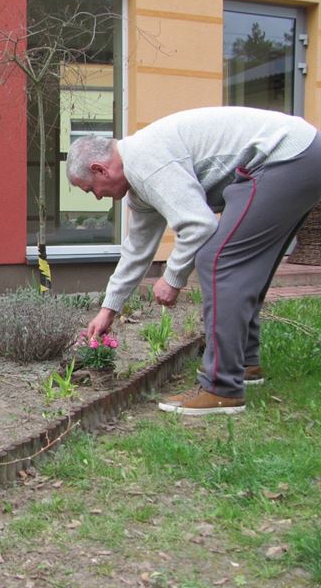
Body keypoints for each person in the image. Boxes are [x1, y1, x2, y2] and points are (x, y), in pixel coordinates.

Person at [66, 106, 321, 416]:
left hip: (286, 158)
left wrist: (172, 277)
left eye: (90, 189)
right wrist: (109, 309)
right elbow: (137, 250)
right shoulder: (139, 179)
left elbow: (200, 226)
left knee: (217, 261)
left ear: (100, 169)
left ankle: (221, 389)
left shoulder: (145, 162)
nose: (96, 196)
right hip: (300, 154)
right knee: (240, 265)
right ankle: (244, 365)